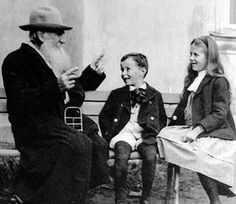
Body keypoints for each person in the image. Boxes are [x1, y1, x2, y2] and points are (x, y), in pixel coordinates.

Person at [2, 5, 109, 204]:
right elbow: (19, 101)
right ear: (41, 35)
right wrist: (56, 86)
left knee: (98, 143)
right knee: (79, 144)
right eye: (58, 33)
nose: (63, 39)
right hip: (33, 124)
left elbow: (74, 89)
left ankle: (66, 194)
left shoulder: (52, 57)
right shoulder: (15, 61)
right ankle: (43, 198)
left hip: (57, 119)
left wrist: (91, 73)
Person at [157, 36, 236, 204]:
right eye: (190, 54)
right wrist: (169, 127)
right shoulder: (193, 80)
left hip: (216, 131)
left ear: (209, 57)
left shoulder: (218, 81)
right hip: (194, 129)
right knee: (164, 135)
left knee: (200, 155)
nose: (191, 58)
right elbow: (181, 109)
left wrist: (197, 130)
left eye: (196, 55)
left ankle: (215, 200)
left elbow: (219, 114)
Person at [99, 53, 167, 204]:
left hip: (145, 134)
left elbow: (162, 118)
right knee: (121, 153)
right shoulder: (117, 94)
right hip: (123, 133)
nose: (123, 74)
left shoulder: (154, 95)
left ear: (142, 71)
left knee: (150, 156)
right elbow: (104, 116)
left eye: (128, 69)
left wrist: (155, 133)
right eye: (122, 69)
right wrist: (109, 132)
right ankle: (120, 197)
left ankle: (146, 197)